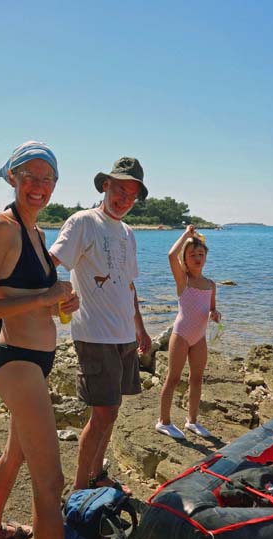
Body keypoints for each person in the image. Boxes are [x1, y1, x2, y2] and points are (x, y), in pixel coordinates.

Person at [0, 141, 122, 539]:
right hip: (15, 364)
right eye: (29, 175)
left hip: (36, 361)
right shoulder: (1, 226)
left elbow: (29, 299)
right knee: (50, 486)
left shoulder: (35, 231)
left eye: (47, 178)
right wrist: (47, 295)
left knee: (15, 455)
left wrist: (59, 307)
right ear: (11, 177)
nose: (38, 185)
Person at [50, 157, 152, 493]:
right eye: (120, 189)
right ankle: (80, 490)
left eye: (132, 195)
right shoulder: (83, 222)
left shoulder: (127, 232)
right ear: (105, 185)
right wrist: (52, 301)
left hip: (123, 336)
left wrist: (140, 327)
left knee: (112, 411)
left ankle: (96, 475)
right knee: (102, 415)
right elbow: (51, 264)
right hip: (94, 335)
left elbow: (128, 285)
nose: (124, 199)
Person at [156, 226, 221, 439]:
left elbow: (211, 308)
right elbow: (169, 255)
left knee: (197, 379)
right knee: (173, 378)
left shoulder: (210, 284)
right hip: (181, 334)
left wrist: (214, 314)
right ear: (185, 259)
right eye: (192, 255)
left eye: (201, 254)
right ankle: (163, 421)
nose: (197, 258)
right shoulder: (183, 280)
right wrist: (185, 235)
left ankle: (192, 421)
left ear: (206, 257)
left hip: (199, 337)